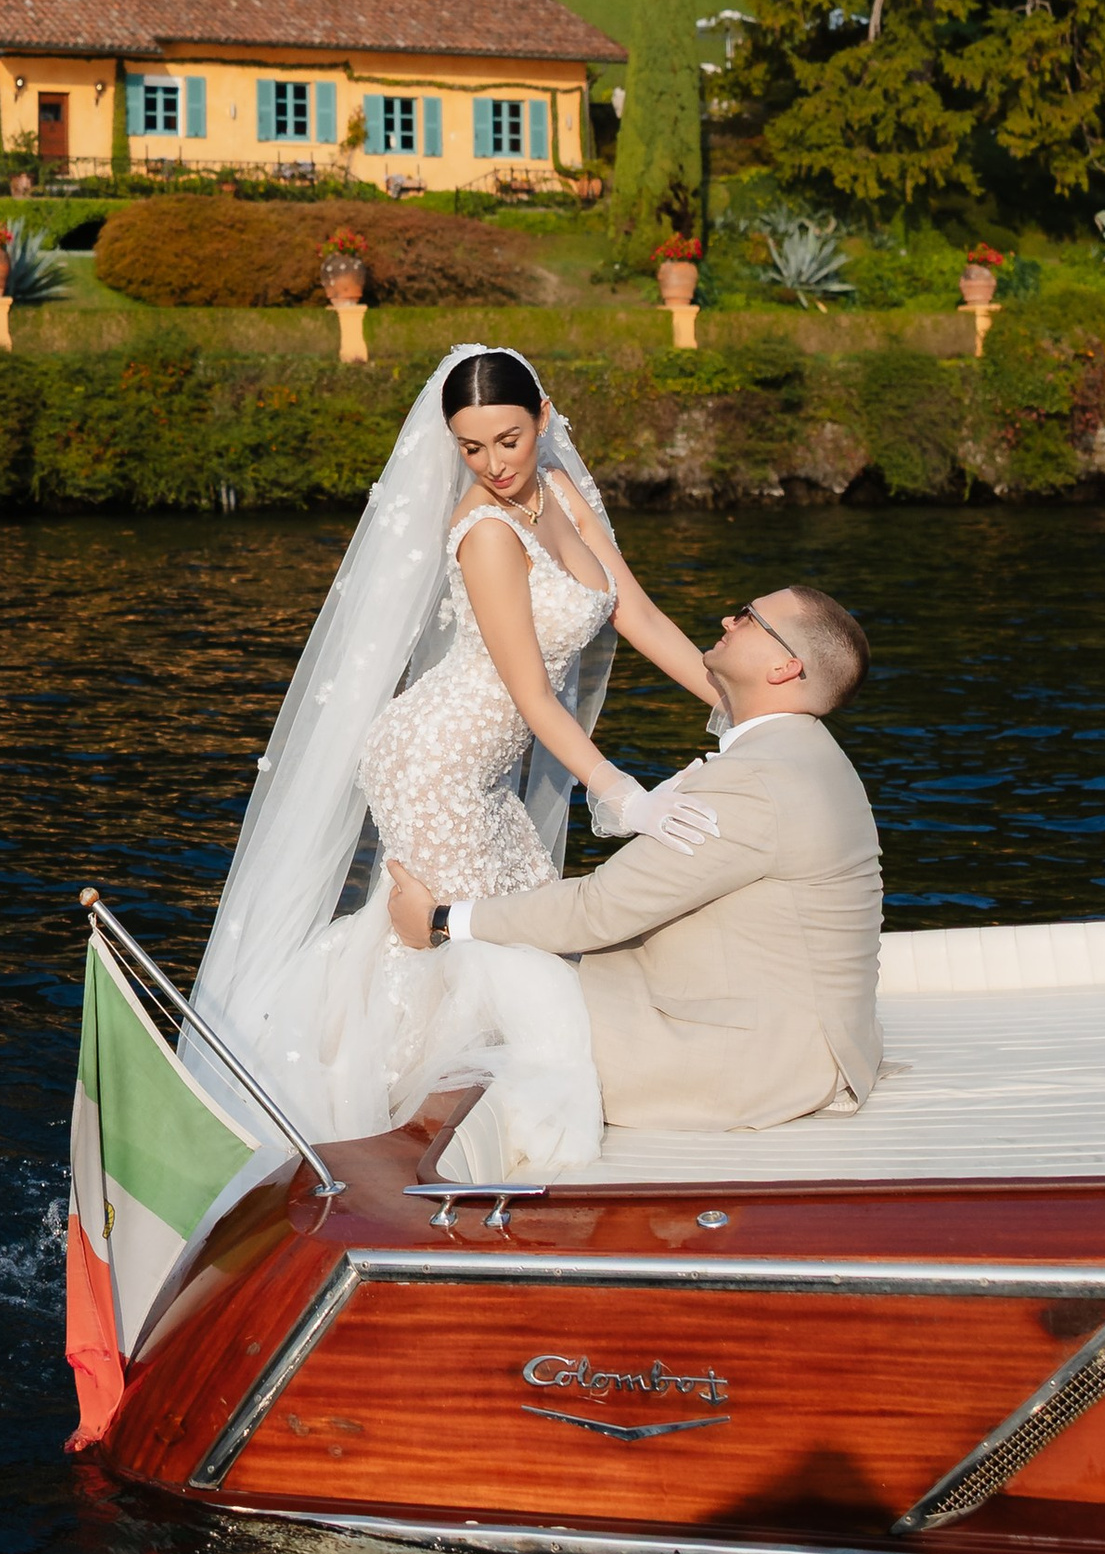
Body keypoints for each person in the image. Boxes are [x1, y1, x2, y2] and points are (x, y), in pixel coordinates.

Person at [184, 345, 726, 1173]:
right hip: (431, 761)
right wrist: (624, 794)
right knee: (460, 947)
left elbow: (637, 613)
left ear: (542, 419)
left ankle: (404, 1123)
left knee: (507, 930)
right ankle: (382, 1144)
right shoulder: (485, 531)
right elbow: (532, 694)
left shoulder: (562, 491)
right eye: (471, 448)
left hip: (481, 766)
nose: (494, 463)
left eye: (508, 439)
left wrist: (732, 702)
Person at [383, 582, 883, 1146]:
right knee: (518, 963)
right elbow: (633, 605)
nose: (726, 619)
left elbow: (598, 911)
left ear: (784, 666)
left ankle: (394, 1141)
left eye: (747, 617)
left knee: (481, 978)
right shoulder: (804, 751)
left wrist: (440, 922)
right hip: (803, 1036)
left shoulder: (755, 781)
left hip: (754, 1065)